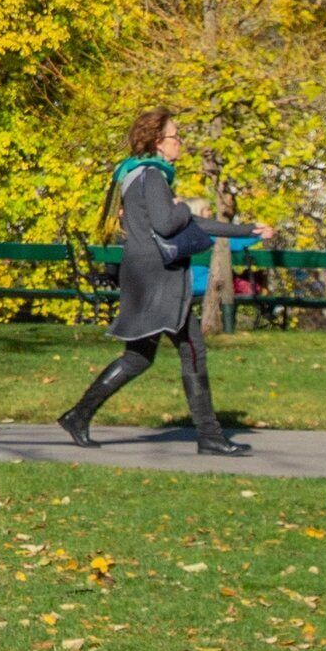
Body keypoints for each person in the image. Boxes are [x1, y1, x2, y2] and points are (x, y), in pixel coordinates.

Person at [59, 109, 263, 455]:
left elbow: (187, 226)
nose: (180, 143)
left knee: (140, 356)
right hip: (160, 279)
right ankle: (210, 435)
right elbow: (171, 224)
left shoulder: (137, 175)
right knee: (192, 349)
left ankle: (78, 415)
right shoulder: (152, 176)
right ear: (158, 142)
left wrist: (247, 230)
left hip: (145, 275)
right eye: (175, 136)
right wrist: (182, 206)